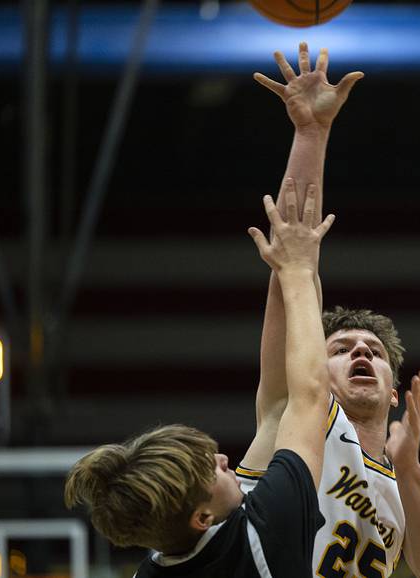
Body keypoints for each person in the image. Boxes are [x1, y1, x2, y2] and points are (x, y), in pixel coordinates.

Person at [240, 43, 420, 578]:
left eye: (373, 351)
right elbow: (294, 261)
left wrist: (410, 469)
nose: (361, 353)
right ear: (315, 368)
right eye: (340, 350)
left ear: (394, 390)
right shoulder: (295, 416)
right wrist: (311, 135)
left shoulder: (402, 475)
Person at [64, 183, 334, 578]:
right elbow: (308, 394)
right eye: (215, 470)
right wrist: (296, 272)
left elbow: (278, 414)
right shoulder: (264, 536)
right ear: (202, 518)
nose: (226, 460)